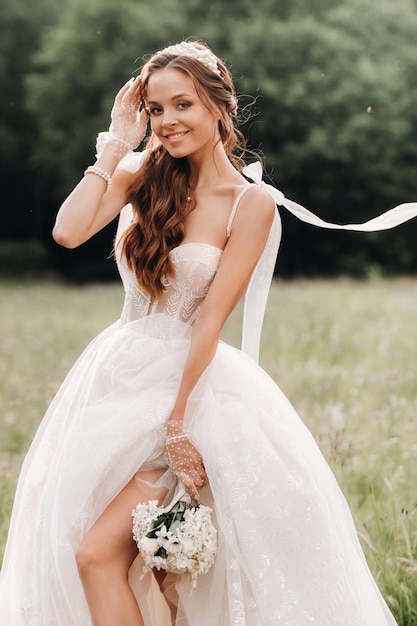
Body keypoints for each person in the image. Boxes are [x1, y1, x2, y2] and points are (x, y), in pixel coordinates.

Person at [2, 39, 416, 626]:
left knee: (111, 557)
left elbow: (210, 319)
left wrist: (179, 424)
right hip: (114, 383)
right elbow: (68, 232)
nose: (167, 122)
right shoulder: (140, 172)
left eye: (183, 105)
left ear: (219, 107)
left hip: (190, 392)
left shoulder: (251, 204)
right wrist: (118, 139)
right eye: (155, 109)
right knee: (118, 557)